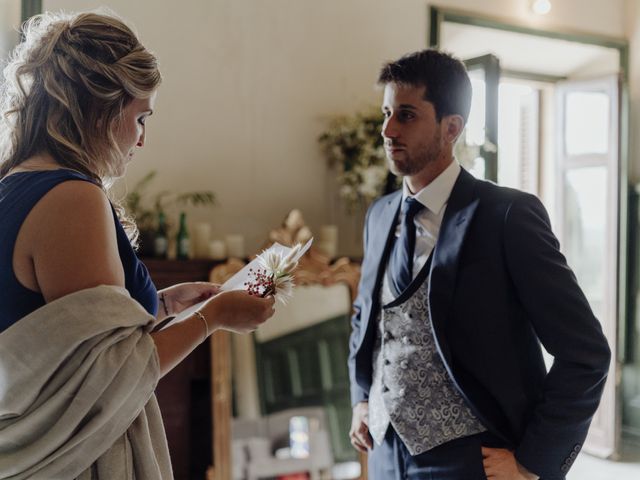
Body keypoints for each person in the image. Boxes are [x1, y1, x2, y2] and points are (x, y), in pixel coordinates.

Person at [0, 11, 275, 479]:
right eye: (140, 117)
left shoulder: (12, 185)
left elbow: (63, 334)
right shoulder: (71, 199)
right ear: (100, 109)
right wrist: (214, 319)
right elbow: (109, 380)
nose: (142, 139)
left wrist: (165, 304)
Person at [348, 49, 611, 480]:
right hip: (384, 454)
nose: (387, 130)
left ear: (452, 127)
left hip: (473, 461)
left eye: (407, 115)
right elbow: (367, 317)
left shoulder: (507, 216)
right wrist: (362, 397)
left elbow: (585, 353)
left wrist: (534, 462)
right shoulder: (379, 215)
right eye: (387, 113)